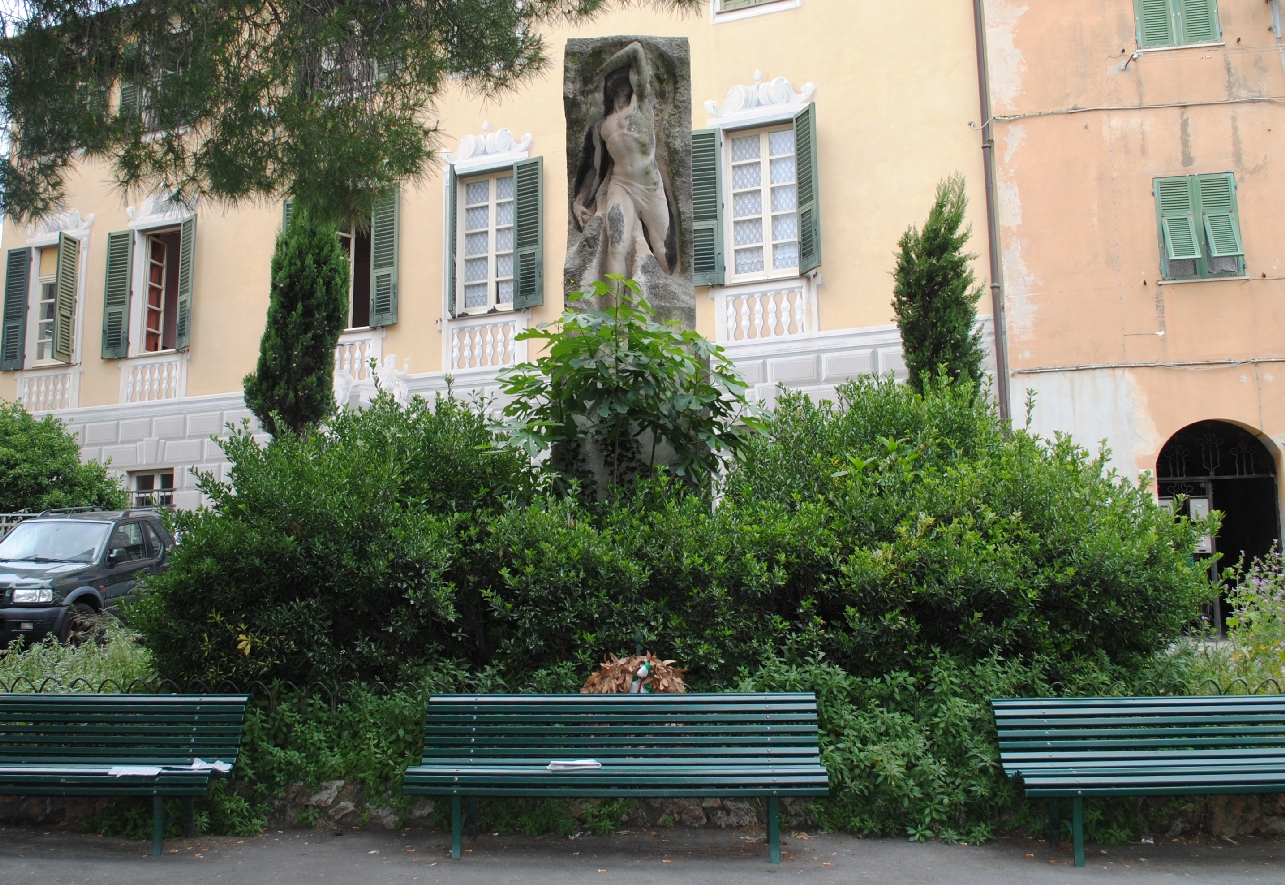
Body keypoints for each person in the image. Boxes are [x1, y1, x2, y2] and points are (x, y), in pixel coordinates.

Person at [572, 42, 673, 276]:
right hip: (621, 185)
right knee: (617, 245)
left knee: (662, 247)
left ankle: (666, 295)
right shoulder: (602, 127)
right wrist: (579, 201)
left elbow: (636, 50)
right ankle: (617, 310)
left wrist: (599, 72)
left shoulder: (641, 106)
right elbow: (596, 171)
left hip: (649, 185)